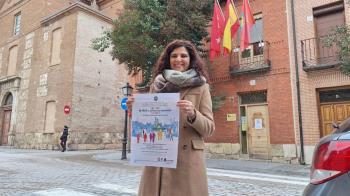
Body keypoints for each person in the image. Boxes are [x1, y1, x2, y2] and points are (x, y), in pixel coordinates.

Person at [127, 40, 215, 196]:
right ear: (168, 59)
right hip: (158, 155)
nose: (178, 59)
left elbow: (209, 129)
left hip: (187, 160)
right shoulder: (157, 84)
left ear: (190, 59)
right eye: (174, 56)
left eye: (183, 56)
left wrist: (193, 114)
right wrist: (135, 108)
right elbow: (148, 119)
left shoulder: (201, 86)